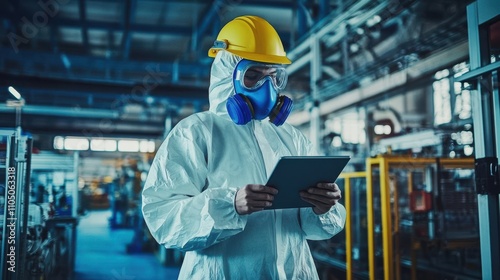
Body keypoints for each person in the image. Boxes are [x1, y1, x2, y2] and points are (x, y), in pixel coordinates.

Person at [142, 15, 346, 279]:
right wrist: (231, 205)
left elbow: (312, 228)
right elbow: (163, 218)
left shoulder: (292, 138)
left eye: (274, 76)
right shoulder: (196, 132)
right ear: (228, 76)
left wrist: (322, 208)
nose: (267, 88)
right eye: (253, 76)